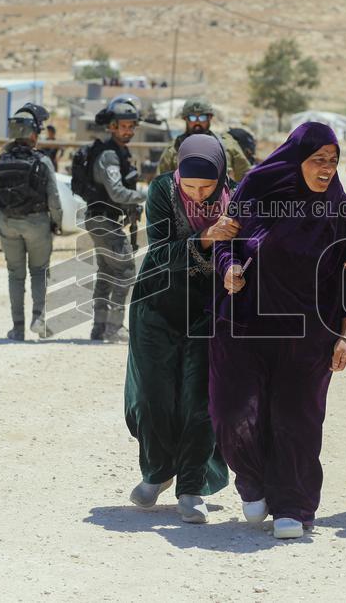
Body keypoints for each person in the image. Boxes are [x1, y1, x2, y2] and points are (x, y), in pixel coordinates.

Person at [209, 122, 346, 540]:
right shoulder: (257, 190)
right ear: (297, 160)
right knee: (230, 411)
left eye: (333, 161)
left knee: (296, 419)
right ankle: (253, 481)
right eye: (318, 160)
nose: (327, 169)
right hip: (246, 324)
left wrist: (345, 333)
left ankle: (292, 504)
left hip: (310, 333)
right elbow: (226, 238)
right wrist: (228, 268)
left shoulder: (342, 211)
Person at [123, 135, 238, 523]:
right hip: (156, 305)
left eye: (207, 186)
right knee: (155, 396)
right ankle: (156, 472)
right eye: (190, 186)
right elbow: (157, 251)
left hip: (206, 309)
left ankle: (191, 486)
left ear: (221, 176)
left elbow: (247, 248)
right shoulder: (160, 191)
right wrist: (205, 236)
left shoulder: (235, 198)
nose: (200, 194)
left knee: (199, 400)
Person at [0, 105, 63, 341]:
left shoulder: (1, 160)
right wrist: (57, 223)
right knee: (39, 271)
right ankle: (38, 319)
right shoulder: (42, 161)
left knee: (15, 275)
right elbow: (54, 198)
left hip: (8, 224)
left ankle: (17, 328)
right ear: (33, 133)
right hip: (37, 225)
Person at [85, 97, 147, 342]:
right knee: (125, 271)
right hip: (103, 220)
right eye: (123, 126)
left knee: (106, 272)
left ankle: (99, 328)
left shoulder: (118, 152)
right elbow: (117, 193)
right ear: (111, 126)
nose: (129, 130)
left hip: (103, 219)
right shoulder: (110, 156)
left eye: (132, 126)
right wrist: (147, 194)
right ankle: (114, 327)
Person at [155, 98, 252, 181]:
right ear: (185, 119)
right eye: (192, 117)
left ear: (210, 118)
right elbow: (162, 183)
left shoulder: (226, 144)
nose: (197, 122)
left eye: (202, 117)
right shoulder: (174, 149)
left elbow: (245, 176)